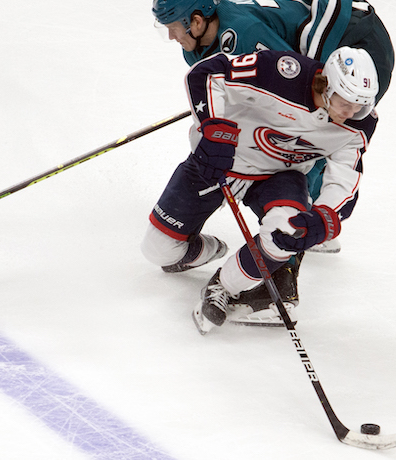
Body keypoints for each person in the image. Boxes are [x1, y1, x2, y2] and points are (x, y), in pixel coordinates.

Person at [149, 0, 394, 310]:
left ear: (196, 20)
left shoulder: (245, 35)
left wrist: (315, 220)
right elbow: (230, 79)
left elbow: (287, 84)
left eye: (174, 26)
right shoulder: (206, 34)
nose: (172, 36)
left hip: (356, 37)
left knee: (322, 128)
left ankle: (287, 262)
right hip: (330, 28)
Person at [140, 46, 379, 333]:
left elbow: (345, 176)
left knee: (291, 232)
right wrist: (214, 129)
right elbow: (207, 73)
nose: (352, 112)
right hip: (221, 164)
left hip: (279, 177)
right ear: (327, 84)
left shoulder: (360, 124)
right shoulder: (280, 71)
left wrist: (326, 215)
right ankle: (210, 248)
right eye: (346, 102)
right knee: (158, 251)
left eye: (360, 105)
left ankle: (224, 285)